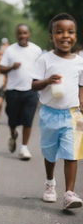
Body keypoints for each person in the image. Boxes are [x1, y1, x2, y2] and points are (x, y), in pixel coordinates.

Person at [32, 13, 83, 210]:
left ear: (76, 36)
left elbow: (81, 83)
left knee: (73, 153)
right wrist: (47, 81)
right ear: (51, 36)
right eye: (59, 31)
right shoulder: (45, 59)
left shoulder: (79, 61)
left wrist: (81, 99)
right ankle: (50, 182)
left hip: (73, 114)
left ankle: (69, 193)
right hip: (49, 113)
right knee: (50, 152)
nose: (65, 36)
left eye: (70, 32)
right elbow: (34, 85)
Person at [0, 24, 42, 160]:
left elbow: (42, 68)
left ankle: (24, 148)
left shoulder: (37, 50)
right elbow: (1, 69)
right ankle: (13, 133)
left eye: (25, 33)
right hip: (13, 91)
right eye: (19, 33)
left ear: (29, 34)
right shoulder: (10, 50)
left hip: (31, 91)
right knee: (12, 121)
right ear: (16, 34)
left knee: (28, 120)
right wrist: (12, 67)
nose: (22, 36)